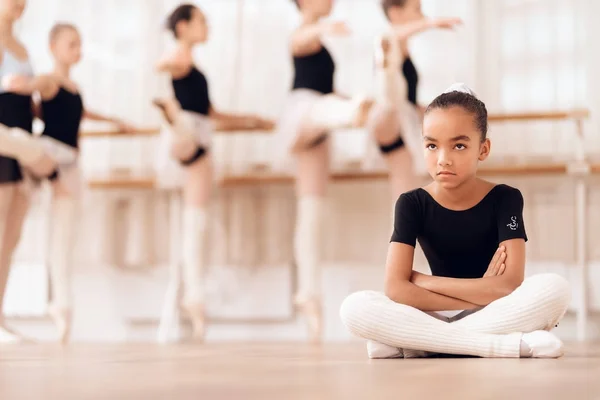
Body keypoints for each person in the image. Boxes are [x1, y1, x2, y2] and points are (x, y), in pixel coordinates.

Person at [340, 83, 571, 359]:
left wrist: (425, 281)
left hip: (493, 310)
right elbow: (395, 288)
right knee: (354, 307)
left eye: (459, 145)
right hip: (437, 312)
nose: (443, 159)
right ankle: (501, 346)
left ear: (483, 149)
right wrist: (480, 292)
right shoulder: (411, 203)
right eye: (432, 145)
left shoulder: (506, 199)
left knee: (555, 288)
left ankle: (420, 344)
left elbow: (509, 286)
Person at [0, 22, 135, 343]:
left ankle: (62, 308)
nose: (78, 50)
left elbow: (83, 113)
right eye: (71, 44)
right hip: (44, 155)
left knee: (60, 240)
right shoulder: (48, 80)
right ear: (54, 47)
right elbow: (31, 85)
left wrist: (117, 122)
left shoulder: (72, 87)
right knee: (22, 144)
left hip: (66, 163)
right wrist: (18, 83)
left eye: (80, 44)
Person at [154, 3, 274, 341]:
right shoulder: (181, 60)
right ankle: (194, 299)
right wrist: (177, 59)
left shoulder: (193, 66)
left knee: (195, 227)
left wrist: (252, 119)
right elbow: (162, 64)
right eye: (202, 22)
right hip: (188, 141)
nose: (207, 28)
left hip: (195, 136)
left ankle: (193, 298)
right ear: (184, 28)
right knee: (195, 226)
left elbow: (211, 113)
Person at [276, 0, 375, 343]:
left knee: (311, 211)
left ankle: (309, 294)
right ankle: (348, 113)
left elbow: (328, 90)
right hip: (303, 114)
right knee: (321, 110)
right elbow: (298, 41)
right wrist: (322, 28)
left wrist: (353, 101)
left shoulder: (319, 40)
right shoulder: (302, 35)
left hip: (320, 127)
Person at [366, 0, 462, 199]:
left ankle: (405, 230)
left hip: (404, 122)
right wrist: (431, 24)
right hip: (389, 117)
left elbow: (407, 97)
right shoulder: (388, 41)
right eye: (417, 9)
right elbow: (390, 36)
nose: (422, 15)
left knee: (405, 192)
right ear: (396, 13)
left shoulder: (402, 45)